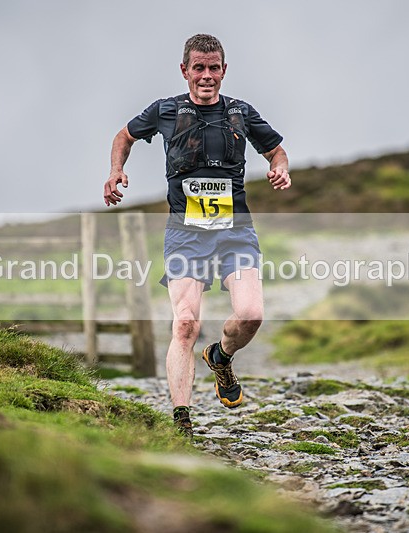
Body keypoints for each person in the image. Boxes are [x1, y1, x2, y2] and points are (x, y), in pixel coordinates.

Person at [104, 34, 290, 437]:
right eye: (199, 68)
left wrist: (281, 167)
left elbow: (276, 149)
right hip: (185, 235)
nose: (207, 76)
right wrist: (116, 170)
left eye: (214, 68)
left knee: (252, 314)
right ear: (185, 70)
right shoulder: (165, 110)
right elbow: (124, 136)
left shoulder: (241, 112)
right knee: (185, 324)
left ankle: (221, 357)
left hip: (235, 232)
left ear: (224, 70)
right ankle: (182, 420)